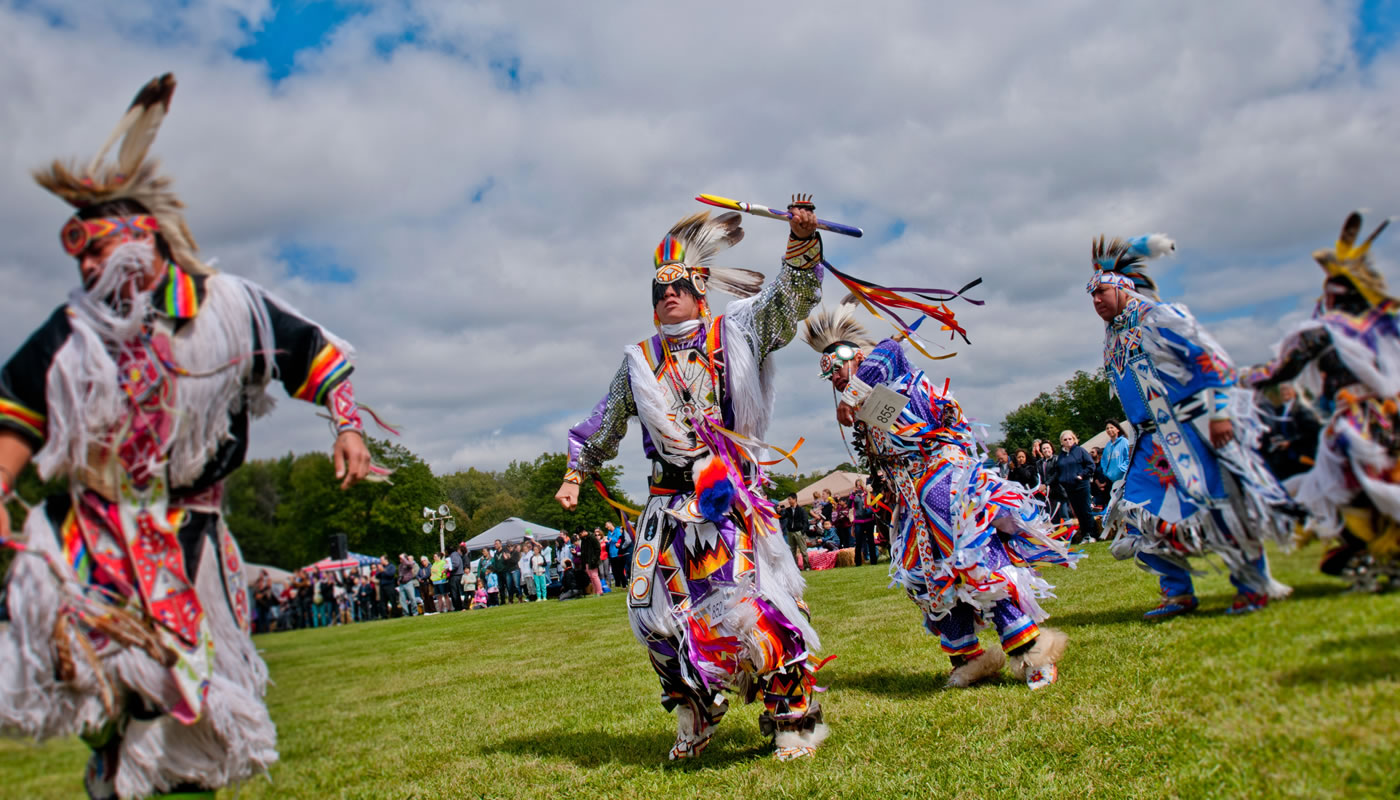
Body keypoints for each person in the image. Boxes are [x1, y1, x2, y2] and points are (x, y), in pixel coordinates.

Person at [0, 74, 378, 800]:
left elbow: (315, 355)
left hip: (194, 539)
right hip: (96, 534)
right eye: (75, 257)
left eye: (93, 250)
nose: (82, 269)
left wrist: (348, 426)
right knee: (122, 696)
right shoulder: (73, 334)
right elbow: (15, 416)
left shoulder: (228, 310)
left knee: (197, 707)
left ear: (140, 243)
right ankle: (114, 764)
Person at [557, 199, 829, 761]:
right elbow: (603, 421)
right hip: (667, 511)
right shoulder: (641, 361)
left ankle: (793, 720)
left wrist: (801, 245)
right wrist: (576, 471)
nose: (667, 297)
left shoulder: (737, 331)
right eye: (658, 291)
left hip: (729, 503)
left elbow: (787, 303)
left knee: (752, 607)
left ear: (701, 289)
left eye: (677, 286)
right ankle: (696, 712)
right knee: (655, 620)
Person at [801, 299, 1080, 690]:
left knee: (972, 561)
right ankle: (968, 659)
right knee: (927, 576)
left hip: (945, 480)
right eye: (828, 376)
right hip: (914, 496)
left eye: (836, 370)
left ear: (855, 358)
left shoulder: (891, 370)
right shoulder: (868, 404)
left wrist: (853, 394)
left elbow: (890, 348)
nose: (834, 381)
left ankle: (1032, 652)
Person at [1087, 231, 1295, 617]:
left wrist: (1219, 413)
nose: (1096, 301)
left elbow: (1210, 361)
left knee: (1219, 507)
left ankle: (1254, 586)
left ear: (1124, 288)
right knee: (1139, 515)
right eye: (1092, 295)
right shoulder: (1112, 338)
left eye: (1102, 292)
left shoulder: (1158, 318)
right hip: (1149, 444)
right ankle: (1177, 592)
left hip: (1189, 432)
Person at [1241, 213, 1398, 590]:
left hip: (1359, 425)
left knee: (1346, 489)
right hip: (1386, 419)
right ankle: (1372, 551)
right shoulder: (1384, 327)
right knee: (1361, 490)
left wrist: (1237, 378)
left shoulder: (1323, 332)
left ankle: (1365, 550)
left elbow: (1279, 371)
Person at [1054, 431, 1099, 543]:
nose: (1068, 441)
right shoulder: (1061, 456)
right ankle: (1085, 535)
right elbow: (1058, 470)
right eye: (1065, 440)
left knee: (1086, 510)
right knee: (1078, 512)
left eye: (1070, 439)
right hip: (1069, 487)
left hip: (1082, 485)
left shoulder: (1080, 451)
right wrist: (1062, 480)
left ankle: (1092, 534)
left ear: (1074, 439)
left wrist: (1082, 475)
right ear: (1061, 442)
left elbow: (1090, 465)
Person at [779, 494, 810, 570]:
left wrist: (803, 531)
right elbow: (781, 517)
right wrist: (778, 512)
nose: (788, 501)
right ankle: (795, 568)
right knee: (792, 551)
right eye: (788, 499)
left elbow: (805, 521)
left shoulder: (801, 510)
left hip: (799, 532)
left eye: (790, 499)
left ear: (795, 499)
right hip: (790, 532)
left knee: (803, 550)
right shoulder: (788, 510)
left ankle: (807, 567)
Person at [850, 480, 877, 566]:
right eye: (857, 486)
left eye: (860, 485)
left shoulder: (868, 494)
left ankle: (873, 560)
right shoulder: (854, 496)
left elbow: (874, 505)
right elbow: (849, 505)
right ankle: (858, 562)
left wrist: (868, 508)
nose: (859, 487)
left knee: (871, 541)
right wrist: (852, 495)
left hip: (869, 520)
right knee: (858, 542)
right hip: (858, 520)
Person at [1100, 420, 1131, 487]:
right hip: (1112, 480)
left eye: (1111, 427)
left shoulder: (1124, 442)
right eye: (1107, 428)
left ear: (1117, 429)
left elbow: (1129, 457)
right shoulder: (1108, 446)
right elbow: (1103, 460)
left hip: (1125, 478)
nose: (1109, 430)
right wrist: (1106, 472)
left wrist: (1121, 469)